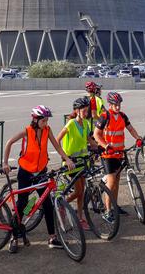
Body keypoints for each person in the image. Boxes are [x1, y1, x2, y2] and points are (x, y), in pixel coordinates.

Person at [3, 105, 75, 253]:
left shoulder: (47, 131)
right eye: (43, 120)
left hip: (41, 172)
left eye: (47, 120)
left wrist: (67, 159)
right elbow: (9, 142)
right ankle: (14, 237)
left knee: (47, 204)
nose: (46, 123)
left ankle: (52, 237)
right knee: (22, 204)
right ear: (35, 120)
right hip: (26, 173)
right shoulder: (27, 131)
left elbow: (57, 147)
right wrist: (5, 163)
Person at [94, 91, 142, 221]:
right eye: (115, 104)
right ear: (110, 104)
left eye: (119, 104)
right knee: (111, 182)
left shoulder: (122, 116)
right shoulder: (104, 116)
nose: (118, 107)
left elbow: (130, 128)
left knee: (116, 182)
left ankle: (115, 206)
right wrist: (105, 145)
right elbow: (96, 135)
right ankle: (107, 211)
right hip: (108, 155)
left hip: (119, 153)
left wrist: (138, 138)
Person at [56, 97, 98, 230]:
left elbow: (89, 139)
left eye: (87, 111)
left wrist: (99, 147)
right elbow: (57, 141)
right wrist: (65, 158)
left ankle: (80, 218)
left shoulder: (85, 124)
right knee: (79, 191)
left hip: (83, 162)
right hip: (71, 164)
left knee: (82, 191)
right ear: (77, 111)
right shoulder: (71, 124)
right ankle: (62, 204)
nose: (86, 114)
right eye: (84, 111)